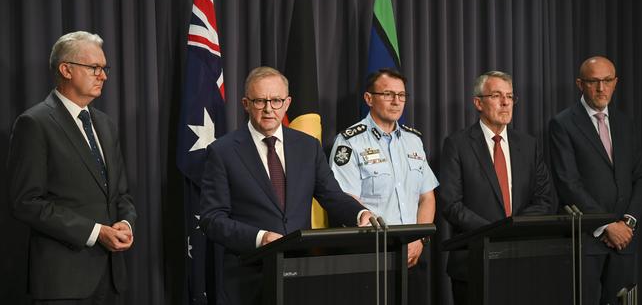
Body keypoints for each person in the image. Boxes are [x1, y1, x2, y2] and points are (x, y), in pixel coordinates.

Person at [199, 66, 372, 305]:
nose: (269, 109)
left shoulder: (308, 147)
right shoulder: (223, 152)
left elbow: (331, 195)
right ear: (245, 103)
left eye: (276, 100)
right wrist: (261, 238)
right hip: (248, 278)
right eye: (260, 101)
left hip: (299, 273)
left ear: (288, 103)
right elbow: (212, 218)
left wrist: (360, 213)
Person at [7, 31, 137, 304]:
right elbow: (26, 202)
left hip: (111, 278)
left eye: (104, 68)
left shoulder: (105, 124)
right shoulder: (34, 123)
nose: (104, 76)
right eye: (95, 68)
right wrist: (95, 232)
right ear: (66, 69)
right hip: (63, 281)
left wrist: (125, 223)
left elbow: (120, 193)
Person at [438, 70, 555, 305]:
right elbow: (451, 204)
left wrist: (515, 229)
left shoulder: (529, 145)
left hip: (522, 259)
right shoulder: (457, 144)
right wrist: (495, 232)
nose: (505, 103)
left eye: (510, 97)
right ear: (478, 103)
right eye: (497, 95)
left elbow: (546, 199)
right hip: (474, 261)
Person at [329, 68, 437, 303]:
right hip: (370, 255)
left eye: (402, 95)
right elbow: (345, 197)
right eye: (388, 94)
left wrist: (420, 239)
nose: (397, 101)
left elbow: (427, 197)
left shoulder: (413, 140)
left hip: (412, 253)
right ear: (369, 98)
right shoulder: (349, 141)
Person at [549, 56, 642, 304]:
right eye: (593, 81)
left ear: (615, 83)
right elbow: (568, 183)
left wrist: (628, 222)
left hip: (625, 240)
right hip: (586, 243)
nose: (601, 88)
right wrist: (607, 225)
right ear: (579, 84)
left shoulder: (625, 123)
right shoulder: (562, 124)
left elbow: (641, 176)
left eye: (606, 81)